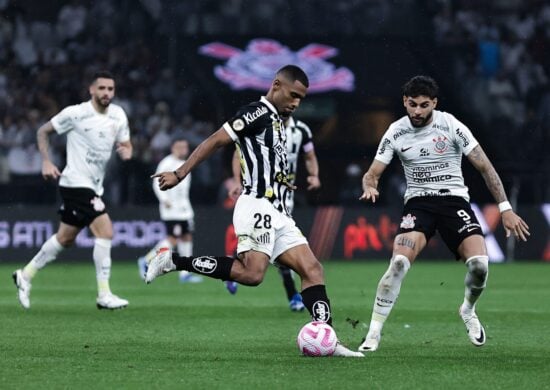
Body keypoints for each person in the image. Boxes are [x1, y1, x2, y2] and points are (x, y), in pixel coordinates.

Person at [146, 65, 363, 357]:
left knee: (312, 269)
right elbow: (216, 140)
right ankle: (173, 261)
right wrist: (180, 172)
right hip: (256, 204)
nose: (296, 103)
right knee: (253, 274)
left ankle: (328, 337)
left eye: (301, 98)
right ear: (276, 85)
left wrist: (283, 181)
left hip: (279, 210)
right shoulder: (255, 113)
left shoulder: (278, 121)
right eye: (293, 95)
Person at [358, 75, 530, 352]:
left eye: (424, 105)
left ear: (434, 103)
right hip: (418, 205)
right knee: (399, 264)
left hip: (454, 203)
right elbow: (372, 173)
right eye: (412, 104)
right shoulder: (395, 132)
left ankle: (468, 310)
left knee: (479, 266)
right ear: (404, 101)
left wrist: (505, 208)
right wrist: (370, 185)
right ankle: (373, 333)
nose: (417, 111)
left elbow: (485, 167)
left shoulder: (451, 125)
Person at [12, 70, 133, 310]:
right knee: (105, 231)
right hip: (75, 182)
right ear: (91, 90)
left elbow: (126, 143)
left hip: (94, 185)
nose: (106, 93)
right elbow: (43, 131)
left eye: (110, 89)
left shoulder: (118, 115)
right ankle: (104, 294)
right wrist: (46, 161)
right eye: (102, 88)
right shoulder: (76, 113)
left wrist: (127, 151)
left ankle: (25, 275)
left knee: (65, 238)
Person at [227, 115, 321, 311]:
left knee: (278, 245)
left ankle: (232, 265)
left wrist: (314, 175)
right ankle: (293, 295)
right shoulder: (261, 126)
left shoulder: (302, 130)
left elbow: (310, 156)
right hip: (261, 193)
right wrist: (237, 180)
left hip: (285, 196)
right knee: (279, 246)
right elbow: (238, 154)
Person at [137, 137, 202, 284]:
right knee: (173, 239)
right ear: (173, 148)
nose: (183, 150)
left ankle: (185, 273)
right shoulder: (167, 163)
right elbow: (156, 183)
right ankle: (146, 260)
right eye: (180, 147)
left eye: (185, 147)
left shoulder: (185, 163)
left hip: (185, 209)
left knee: (187, 237)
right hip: (171, 209)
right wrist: (164, 199)